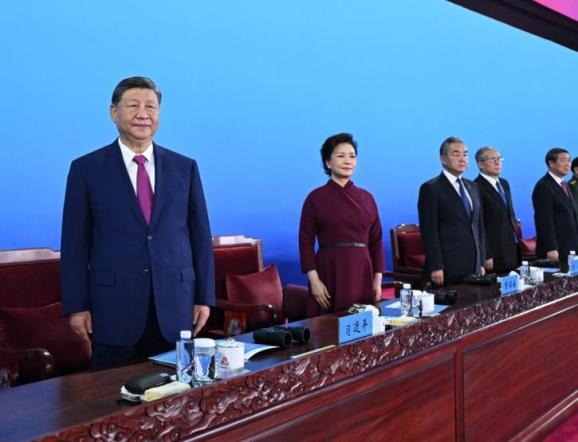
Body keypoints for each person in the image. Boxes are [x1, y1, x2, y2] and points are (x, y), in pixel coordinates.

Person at [61, 77, 215, 369]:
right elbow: (74, 244)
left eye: (151, 107)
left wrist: (204, 297)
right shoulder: (86, 169)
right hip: (113, 308)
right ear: (113, 112)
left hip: (174, 305)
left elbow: (200, 237)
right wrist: (77, 306)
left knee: (175, 390)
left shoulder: (185, 167)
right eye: (133, 105)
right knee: (110, 392)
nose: (143, 114)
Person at [299, 133, 385, 314]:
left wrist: (377, 281)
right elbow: (305, 242)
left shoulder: (367, 198)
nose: (348, 161)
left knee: (362, 323)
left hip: (362, 270)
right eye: (341, 156)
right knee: (328, 325)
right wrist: (314, 281)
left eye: (352, 156)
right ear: (328, 163)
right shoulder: (315, 198)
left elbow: (376, 241)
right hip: (329, 269)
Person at [418, 136, 485, 287]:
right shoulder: (431, 188)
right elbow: (429, 231)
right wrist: (436, 265)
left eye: (465, 154)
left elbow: (478, 226)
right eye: (456, 154)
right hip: (448, 265)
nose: (462, 159)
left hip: (473, 263)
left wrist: (481, 260)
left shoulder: (473, 186)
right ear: (443, 159)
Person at [474, 146, 520, 273]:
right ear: (480, 164)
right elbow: (479, 223)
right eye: (492, 159)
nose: (497, 162)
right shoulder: (476, 186)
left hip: (512, 247)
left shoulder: (504, 183)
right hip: (494, 251)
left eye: (499, 158)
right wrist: (486, 253)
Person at [532, 147, 578, 263]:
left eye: (569, 160)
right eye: (563, 160)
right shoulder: (544, 186)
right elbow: (544, 220)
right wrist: (551, 248)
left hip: (571, 246)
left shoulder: (565, 185)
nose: (568, 164)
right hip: (557, 249)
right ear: (551, 163)